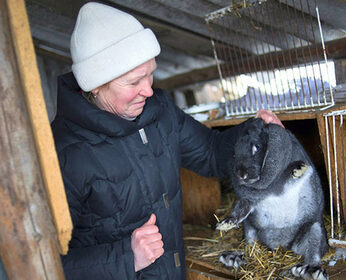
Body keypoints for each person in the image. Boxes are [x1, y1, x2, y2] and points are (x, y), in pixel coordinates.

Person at [52, 2, 283, 279]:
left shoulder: (160, 112)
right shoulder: (64, 153)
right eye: (134, 82)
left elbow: (210, 152)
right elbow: (41, 263)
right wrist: (126, 257)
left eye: (150, 74)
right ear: (96, 85)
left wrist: (256, 137)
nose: (148, 90)